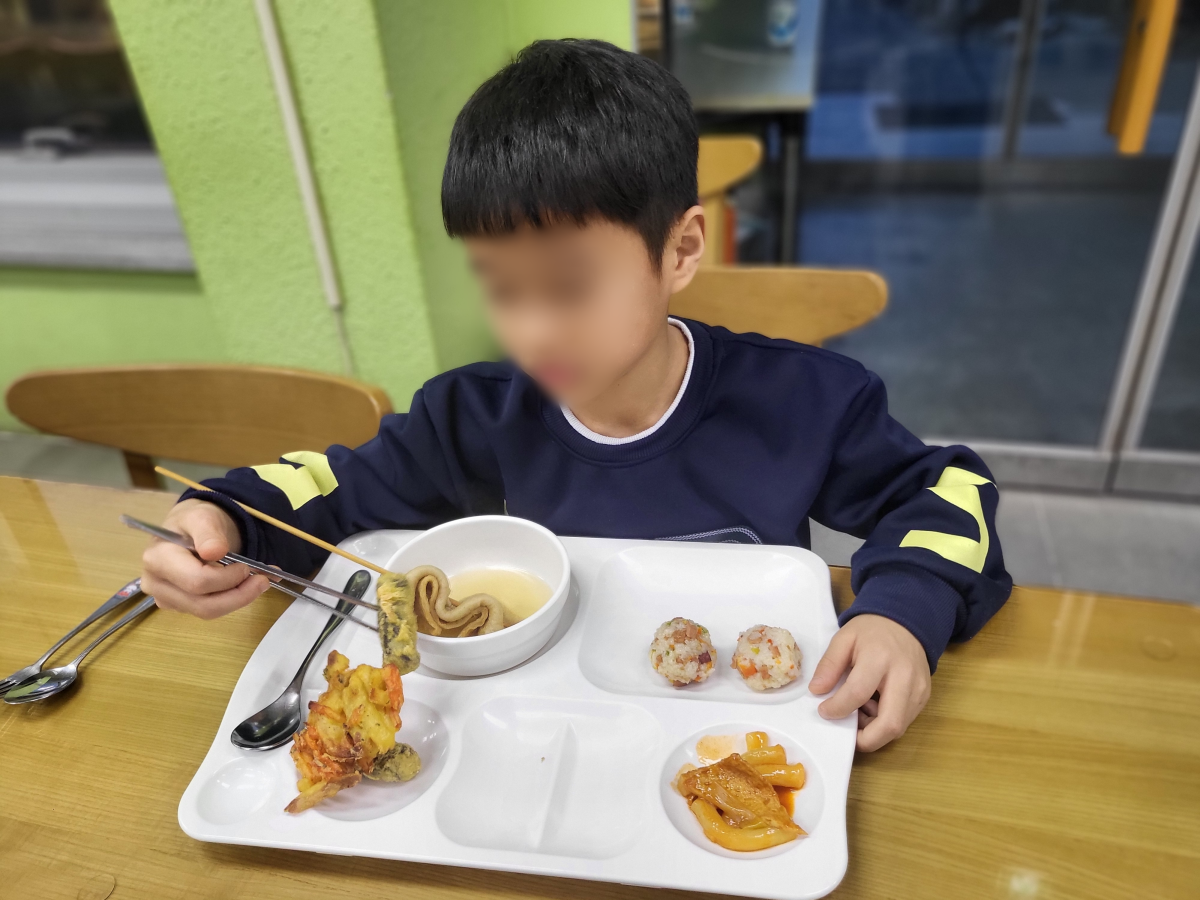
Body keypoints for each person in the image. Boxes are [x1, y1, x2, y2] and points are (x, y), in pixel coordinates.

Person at [141, 39, 1011, 752]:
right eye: (501, 287)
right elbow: (333, 489)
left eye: (569, 287)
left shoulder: (806, 399)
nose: (532, 333)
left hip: (734, 733)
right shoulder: (473, 414)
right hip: (543, 740)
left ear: (680, 250)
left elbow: (946, 490)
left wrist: (904, 611)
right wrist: (228, 518)